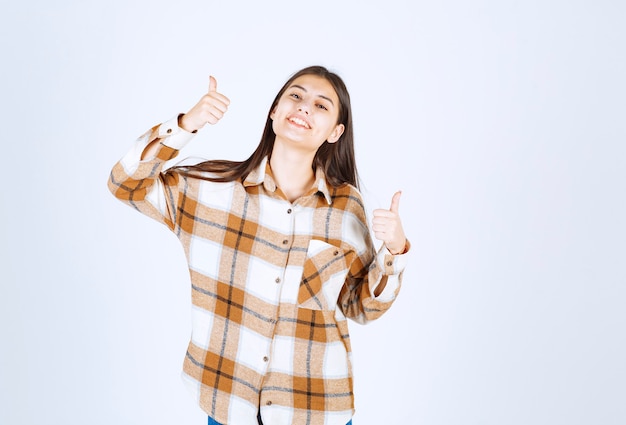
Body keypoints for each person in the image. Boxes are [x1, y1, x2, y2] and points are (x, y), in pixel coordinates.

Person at [108, 65, 409, 425]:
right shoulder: (211, 189)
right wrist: (187, 124)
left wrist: (394, 251)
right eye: (295, 96)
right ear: (274, 111)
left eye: (321, 105)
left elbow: (361, 308)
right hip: (228, 404)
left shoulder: (346, 209)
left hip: (316, 409)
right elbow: (125, 185)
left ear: (335, 132)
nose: (304, 107)